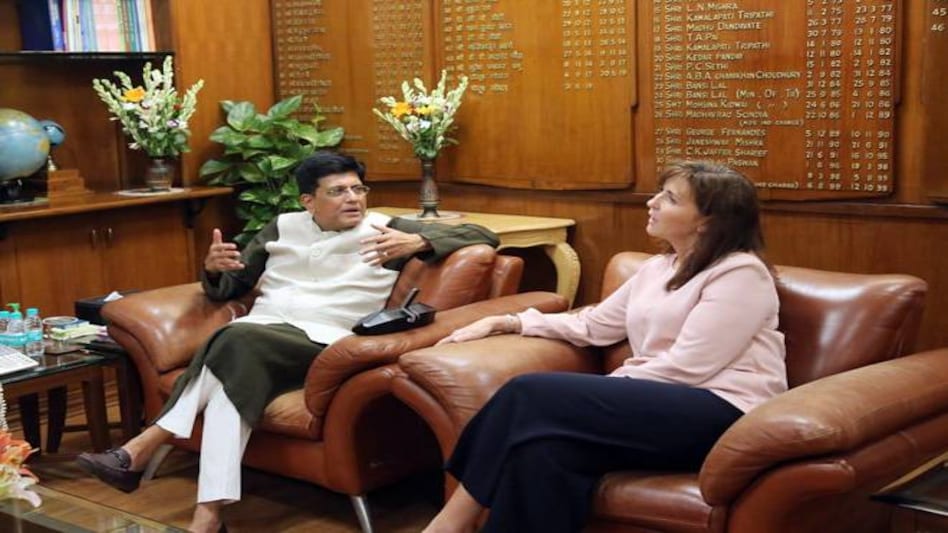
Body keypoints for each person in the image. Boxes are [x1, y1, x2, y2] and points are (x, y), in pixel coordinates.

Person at [76, 151, 499, 533]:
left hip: (323, 340)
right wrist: (213, 268)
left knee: (234, 337)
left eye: (358, 188)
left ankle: (144, 444)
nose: (353, 198)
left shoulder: (386, 229)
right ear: (308, 202)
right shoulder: (281, 227)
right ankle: (208, 515)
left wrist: (422, 240)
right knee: (229, 379)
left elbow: (484, 236)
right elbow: (229, 287)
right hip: (260, 335)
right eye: (337, 192)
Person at [423, 161, 788, 533]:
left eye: (671, 198)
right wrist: (507, 321)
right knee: (542, 453)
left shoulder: (741, 273)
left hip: (721, 411)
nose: (653, 202)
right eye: (660, 192)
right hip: (657, 403)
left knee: (527, 393)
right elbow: (594, 324)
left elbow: (690, 366)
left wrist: (612, 386)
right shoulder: (657, 268)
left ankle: (449, 524)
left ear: (707, 221)